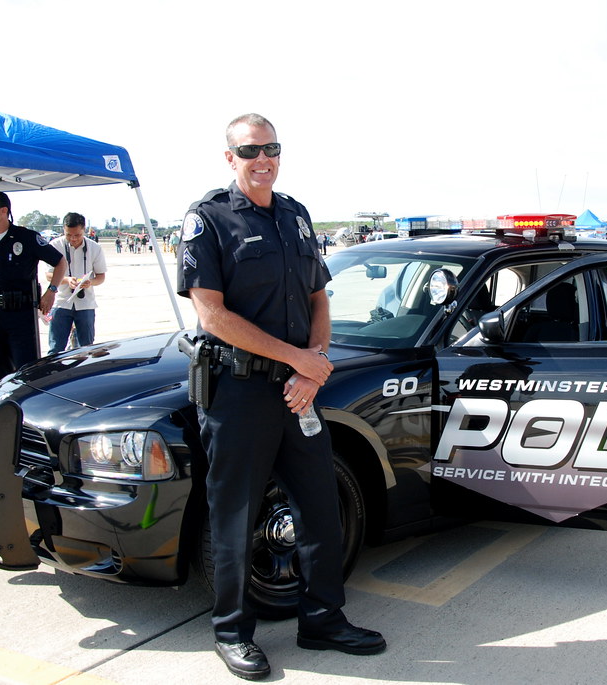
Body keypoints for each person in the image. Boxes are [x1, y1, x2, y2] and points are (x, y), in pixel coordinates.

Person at [177, 113, 385, 681]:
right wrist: (298, 360)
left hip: (299, 393)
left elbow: (319, 297)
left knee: (320, 507)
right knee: (235, 517)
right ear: (230, 158)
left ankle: (322, 620)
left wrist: (313, 368)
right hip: (239, 392)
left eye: (271, 148)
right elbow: (212, 315)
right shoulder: (208, 219)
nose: (262, 159)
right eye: (250, 151)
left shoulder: (295, 215)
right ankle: (233, 633)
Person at [0, 191, 67, 382]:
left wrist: (51, 292)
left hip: (20, 314)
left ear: (3, 211)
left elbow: (60, 262)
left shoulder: (27, 238)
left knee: (28, 372)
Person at [46, 212, 108, 354]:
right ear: (63, 229)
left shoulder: (94, 248)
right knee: (56, 349)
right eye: (68, 235)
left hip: (85, 304)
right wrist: (67, 280)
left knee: (86, 349)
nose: (73, 239)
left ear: (84, 230)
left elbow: (101, 277)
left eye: (77, 235)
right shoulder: (55, 245)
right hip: (61, 303)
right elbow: (49, 275)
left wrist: (89, 282)